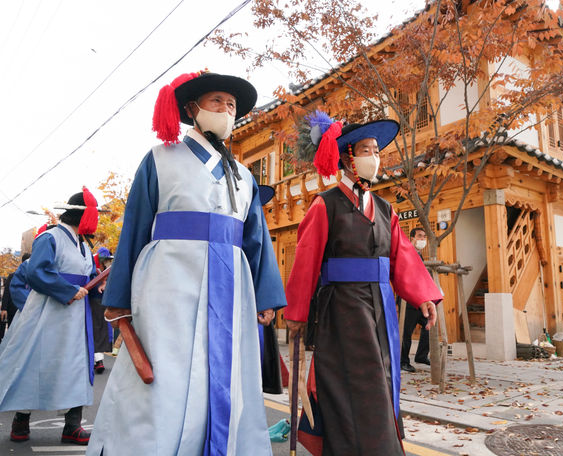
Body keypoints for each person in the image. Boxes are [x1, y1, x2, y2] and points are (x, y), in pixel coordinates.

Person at [87, 70, 286, 456]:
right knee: (167, 372)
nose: (226, 111)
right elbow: (136, 227)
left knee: (225, 374)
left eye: (231, 106)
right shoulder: (160, 159)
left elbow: (255, 240)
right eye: (217, 102)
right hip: (168, 282)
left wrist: (266, 298)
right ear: (193, 108)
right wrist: (120, 294)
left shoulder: (243, 177)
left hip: (231, 285)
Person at [284, 111, 443, 456]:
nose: (375, 157)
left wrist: (423, 296)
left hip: (381, 308)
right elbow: (306, 260)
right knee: (352, 385)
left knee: (381, 382)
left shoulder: (386, 210)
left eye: (376, 150)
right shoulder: (325, 206)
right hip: (341, 310)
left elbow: (402, 258)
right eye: (366, 150)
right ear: (347, 157)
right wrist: (296, 312)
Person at [0, 188, 100, 445]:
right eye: (93, 214)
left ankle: (72, 426)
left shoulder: (85, 247)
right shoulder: (50, 238)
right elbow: (37, 272)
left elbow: (87, 276)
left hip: (77, 317)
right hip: (47, 312)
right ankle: (20, 420)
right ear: (82, 215)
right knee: (35, 362)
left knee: (76, 365)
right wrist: (68, 290)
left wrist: (96, 285)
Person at [400, 227, 431, 373]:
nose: (422, 239)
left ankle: (421, 356)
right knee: (406, 332)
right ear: (412, 238)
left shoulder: (420, 255)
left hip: (421, 300)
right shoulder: (407, 253)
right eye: (419, 236)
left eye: (424, 237)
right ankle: (403, 362)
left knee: (429, 325)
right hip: (408, 299)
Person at [90, 247, 114, 374]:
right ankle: (97, 360)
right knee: (97, 331)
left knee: (99, 331)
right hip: (94, 301)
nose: (106, 262)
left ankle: (98, 360)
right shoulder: (94, 268)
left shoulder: (101, 269)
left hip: (101, 302)